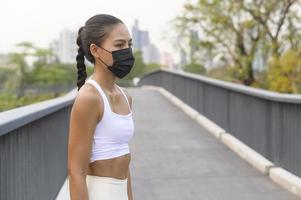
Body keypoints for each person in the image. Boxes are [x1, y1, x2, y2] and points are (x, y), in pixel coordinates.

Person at [67, 14, 135, 200]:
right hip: (99, 193)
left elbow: (123, 158)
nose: (127, 51)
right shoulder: (89, 98)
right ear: (95, 50)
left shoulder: (125, 97)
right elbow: (76, 172)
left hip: (120, 191)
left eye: (129, 44)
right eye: (119, 45)